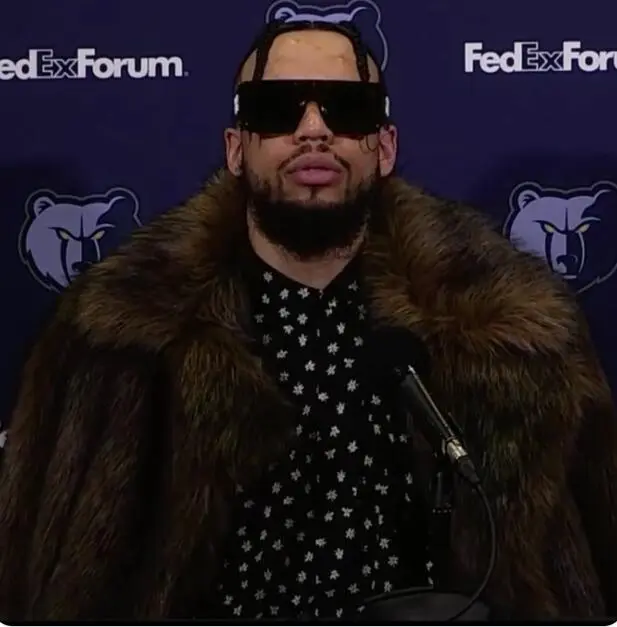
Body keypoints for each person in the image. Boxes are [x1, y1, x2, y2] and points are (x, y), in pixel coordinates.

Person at [0, 20, 615, 622]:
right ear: (236, 149)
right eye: (277, 109)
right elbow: (47, 571)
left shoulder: (509, 333)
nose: (314, 130)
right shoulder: (123, 336)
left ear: (385, 147)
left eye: (347, 110)